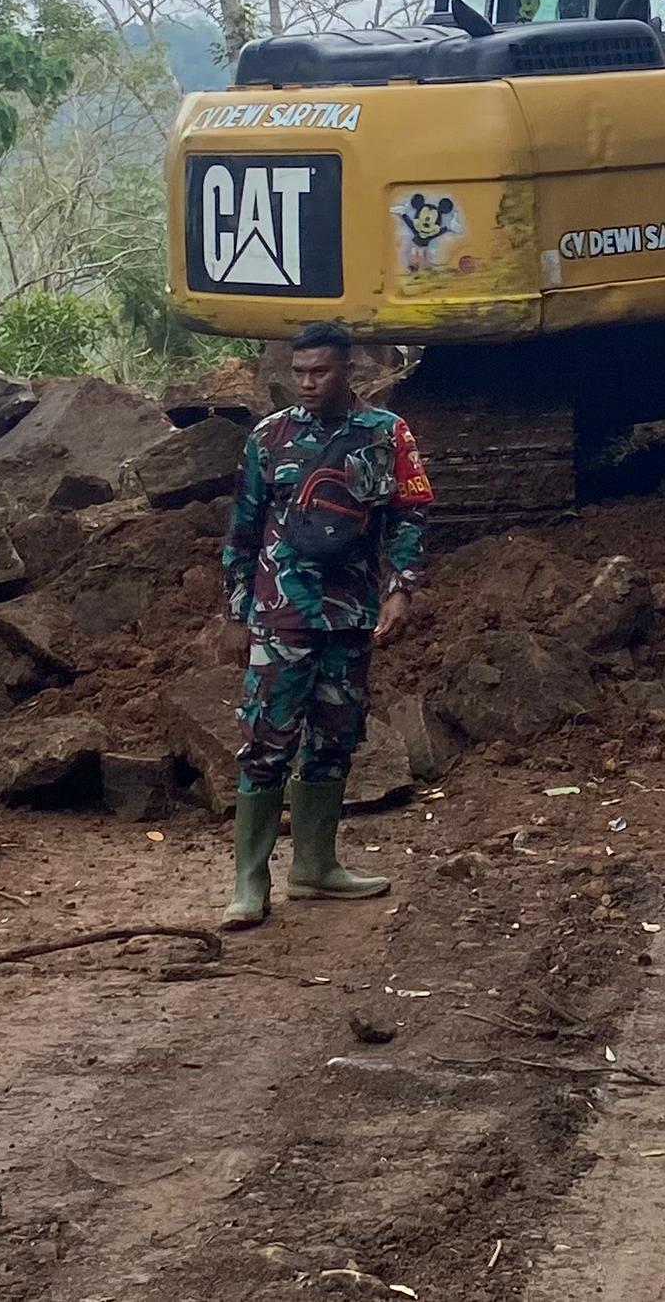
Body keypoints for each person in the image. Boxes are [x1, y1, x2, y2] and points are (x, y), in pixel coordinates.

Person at [219, 321, 435, 925]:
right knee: (265, 740)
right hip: (280, 613)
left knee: (336, 737)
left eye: (321, 372)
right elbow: (242, 525)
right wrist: (236, 612)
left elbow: (411, 513)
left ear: (349, 372)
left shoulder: (386, 433)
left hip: (351, 612)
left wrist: (402, 589)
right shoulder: (269, 437)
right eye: (300, 372)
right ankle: (248, 881)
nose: (308, 383)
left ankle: (315, 866)